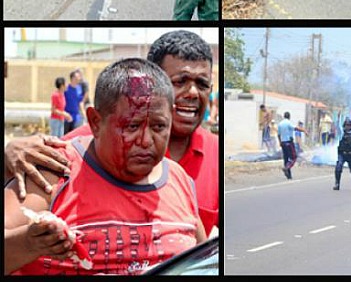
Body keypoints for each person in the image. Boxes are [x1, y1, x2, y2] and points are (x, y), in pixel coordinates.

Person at [4, 30, 220, 237]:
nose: (193, 93)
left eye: (202, 84)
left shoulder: (210, 158)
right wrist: (7, 163)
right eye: (180, 81)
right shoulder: (84, 146)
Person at [4, 58, 206, 275]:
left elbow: (204, 260)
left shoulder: (179, 180)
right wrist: (30, 242)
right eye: (132, 125)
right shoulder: (53, 170)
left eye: (159, 126)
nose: (146, 140)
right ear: (95, 122)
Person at [333, 117, 351, 191]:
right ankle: (337, 183)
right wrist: (338, 118)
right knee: (338, 167)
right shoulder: (342, 134)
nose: (347, 127)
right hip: (342, 154)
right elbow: (337, 126)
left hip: (349, 154)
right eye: (346, 125)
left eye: (348, 125)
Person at [277, 112, 297, 180]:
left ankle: (289, 175)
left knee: (286, 158)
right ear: (289, 117)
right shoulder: (288, 123)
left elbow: (278, 135)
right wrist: (304, 130)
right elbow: (295, 128)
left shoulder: (280, 124)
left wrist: (280, 142)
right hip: (289, 142)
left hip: (283, 143)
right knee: (293, 157)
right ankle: (287, 168)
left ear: (284, 116)